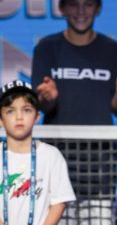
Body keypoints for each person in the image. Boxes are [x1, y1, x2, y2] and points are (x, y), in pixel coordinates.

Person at [31, 0, 117, 225]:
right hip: (56, 163)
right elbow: (44, 107)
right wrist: (47, 98)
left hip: (99, 166)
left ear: (97, 8)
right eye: (73, 4)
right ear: (62, 8)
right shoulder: (47, 48)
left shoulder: (111, 50)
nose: (81, 11)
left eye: (88, 4)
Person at [0, 79, 76, 225]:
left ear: (36, 117)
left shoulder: (51, 155)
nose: (19, 116)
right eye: (10, 111)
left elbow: (59, 202)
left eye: (26, 110)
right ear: (0, 119)